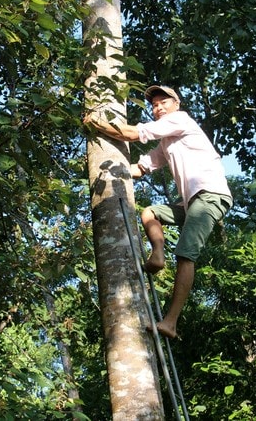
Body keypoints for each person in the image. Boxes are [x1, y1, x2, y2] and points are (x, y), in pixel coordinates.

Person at [83, 85, 233, 339]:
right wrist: (103, 166)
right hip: (191, 203)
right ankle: (158, 256)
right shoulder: (167, 143)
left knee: (186, 255)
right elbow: (139, 169)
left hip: (211, 195)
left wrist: (97, 123)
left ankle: (171, 322)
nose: (159, 107)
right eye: (154, 105)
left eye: (164, 102)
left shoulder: (181, 121)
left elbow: (131, 134)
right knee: (150, 213)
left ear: (177, 105)